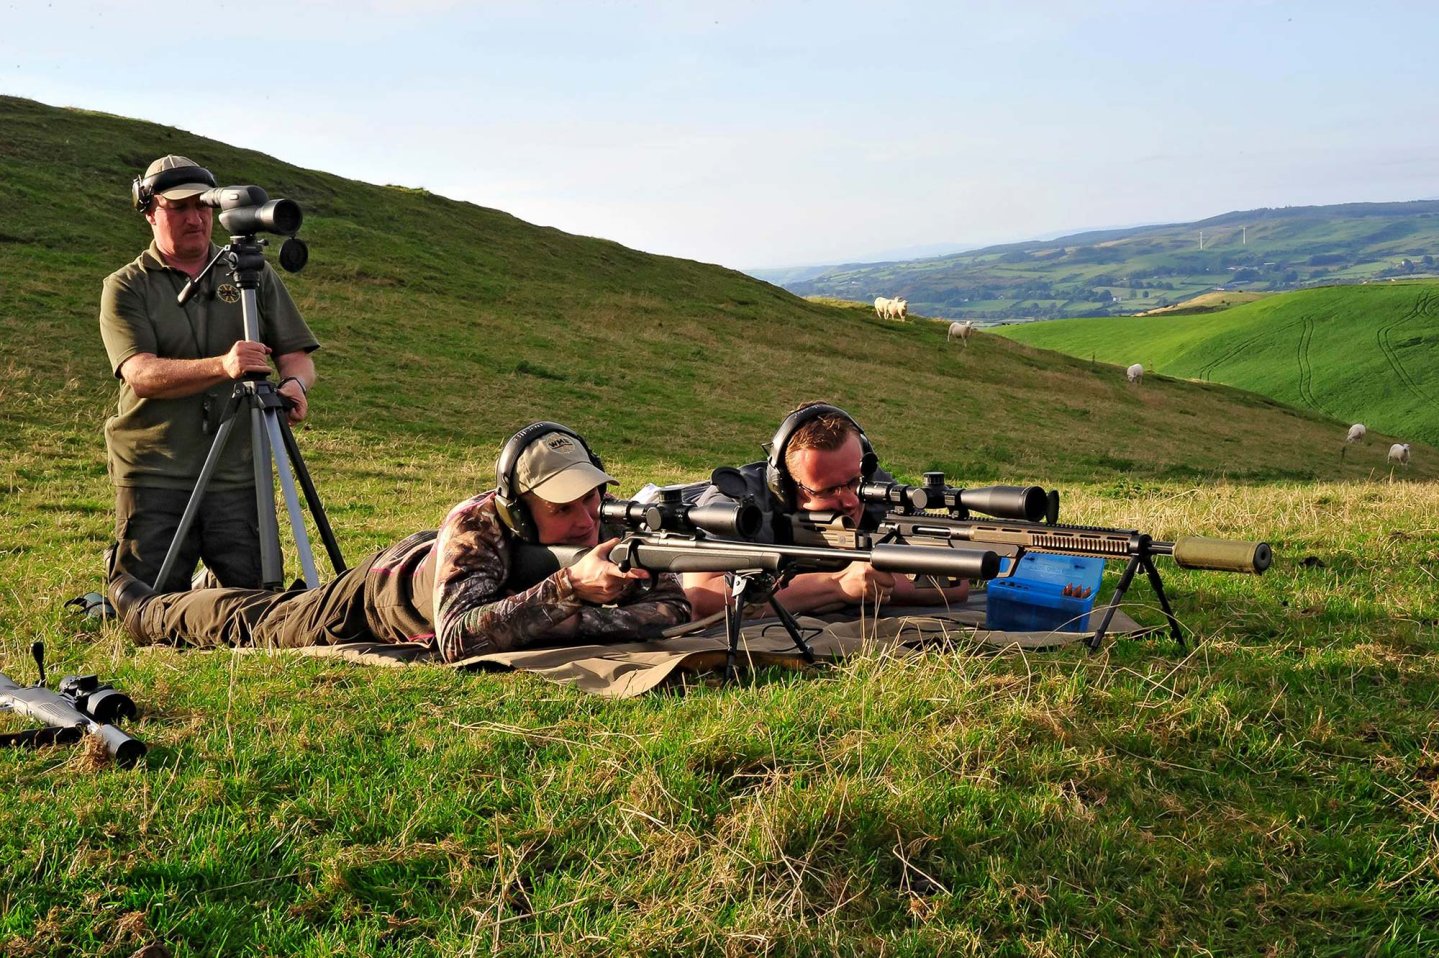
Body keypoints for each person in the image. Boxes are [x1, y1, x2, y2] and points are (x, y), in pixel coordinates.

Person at [108, 422, 691, 660]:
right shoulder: (476, 523)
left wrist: (571, 613)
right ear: (518, 508)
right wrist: (568, 589)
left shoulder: (607, 520)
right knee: (261, 621)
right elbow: (457, 638)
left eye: (592, 497)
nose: (587, 519)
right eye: (561, 508)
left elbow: (673, 609)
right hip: (375, 599)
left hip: (438, 573)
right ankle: (145, 609)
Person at [99, 154, 320, 592]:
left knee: (258, 602)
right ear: (149, 211)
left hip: (237, 470)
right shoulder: (126, 285)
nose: (195, 218)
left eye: (202, 206)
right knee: (150, 606)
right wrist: (223, 366)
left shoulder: (251, 273)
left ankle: (209, 591)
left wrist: (295, 384)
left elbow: (296, 355)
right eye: (179, 208)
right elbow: (141, 373)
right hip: (156, 469)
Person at [682, 403, 970, 618]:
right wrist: (837, 585)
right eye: (828, 490)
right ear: (783, 484)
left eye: (854, 482)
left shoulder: (872, 485)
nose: (851, 500)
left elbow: (954, 581)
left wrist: (875, 582)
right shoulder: (733, 503)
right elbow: (702, 597)